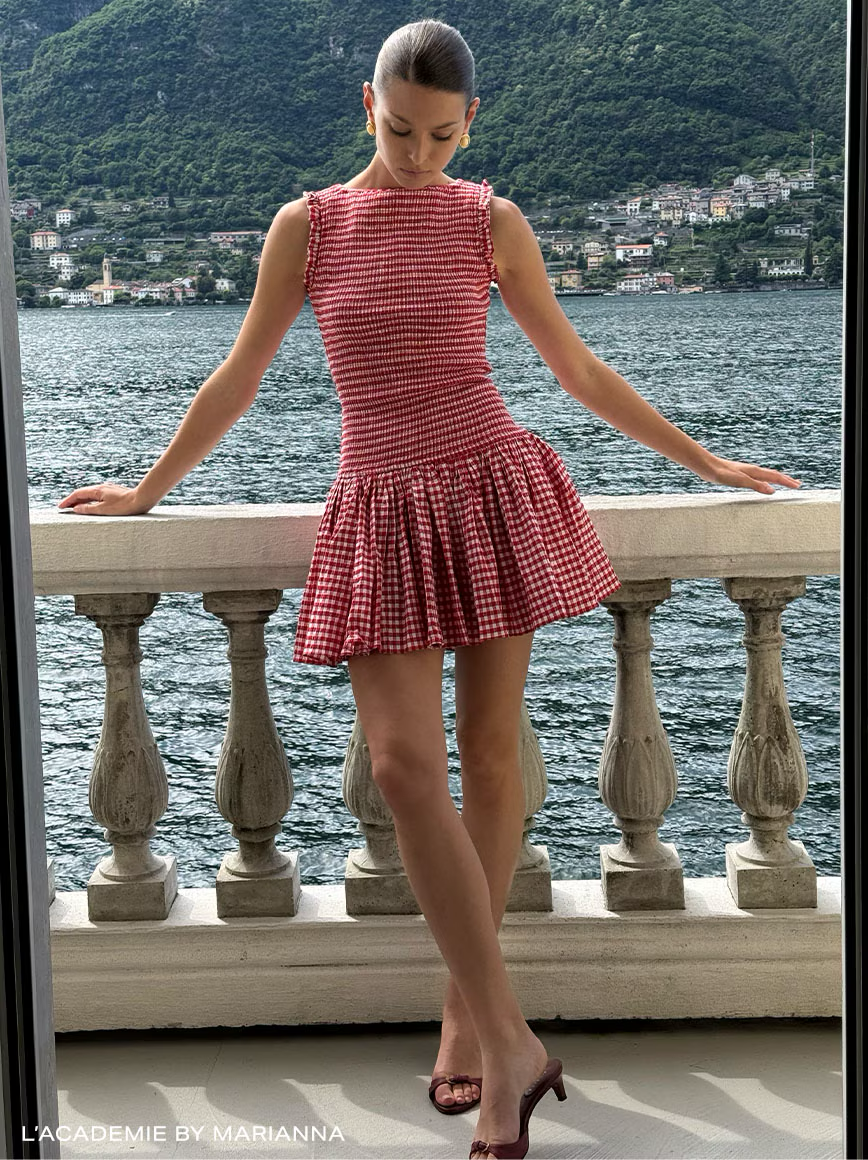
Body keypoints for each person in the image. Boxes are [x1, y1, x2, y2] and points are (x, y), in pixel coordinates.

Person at [57, 19, 802, 1159]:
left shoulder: (486, 215)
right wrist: (151, 488)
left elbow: (573, 363)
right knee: (406, 769)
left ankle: (471, 1016)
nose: (418, 154)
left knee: (493, 754)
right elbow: (242, 367)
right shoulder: (308, 226)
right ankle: (511, 1031)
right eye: (400, 130)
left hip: (489, 483)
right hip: (380, 501)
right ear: (367, 106)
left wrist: (702, 459)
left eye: (441, 134)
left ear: (471, 122)